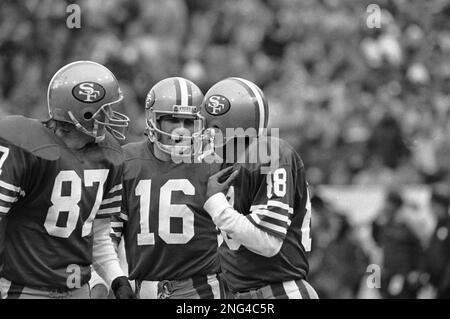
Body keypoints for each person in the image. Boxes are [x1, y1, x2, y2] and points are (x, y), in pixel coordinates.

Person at [0, 61, 134, 299]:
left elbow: (99, 233)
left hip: (78, 289)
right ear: (84, 113)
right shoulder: (27, 147)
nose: (111, 116)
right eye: (106, 109)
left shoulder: (108, 155)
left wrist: (117, 278)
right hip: (26, 289)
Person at [200, 78, 318, 299]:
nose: (204, 132)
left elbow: (268, 242)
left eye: (210, 126)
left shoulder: (270, 153)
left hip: (279, 291)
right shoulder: (221, 164)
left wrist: (216, 203)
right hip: (238, 293)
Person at [111, 77, 222, 299]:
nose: (182, 130)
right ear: (154, 121)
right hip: (144, 288)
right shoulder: (127, 161)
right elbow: (108, 233)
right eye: (173, 120)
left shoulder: (213, 163)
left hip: (200, 289)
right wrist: (113, 279)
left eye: (189, 122)